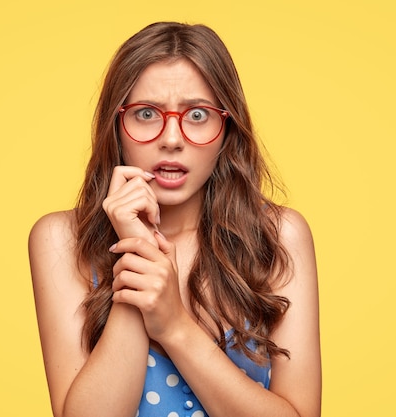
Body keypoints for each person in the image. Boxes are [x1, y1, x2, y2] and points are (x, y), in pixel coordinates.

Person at [28, 21, 321, 417]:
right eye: (146, 113)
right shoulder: (59, 239)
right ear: (116, 125)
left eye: (197, 114)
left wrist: (175, 327)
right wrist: (139, 250)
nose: (171, 138)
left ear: (227, 127)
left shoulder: (279, 236)